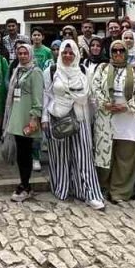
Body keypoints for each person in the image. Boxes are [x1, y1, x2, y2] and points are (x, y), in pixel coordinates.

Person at [43, 40, 105, 210]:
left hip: (80, 119)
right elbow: (46, 96)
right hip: (58, 118)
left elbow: (90, 97)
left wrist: (95, 119)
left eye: (71, 53)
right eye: (65, 53)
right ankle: (62, 188)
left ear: (76, 53)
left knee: (84, 157)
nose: (68, 56)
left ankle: (89, 192)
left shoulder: (83, 70)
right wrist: (44, 119)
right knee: (60, 157)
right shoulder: (51, 71)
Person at [91, 40, 135, 203]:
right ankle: (104, 188)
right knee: (105, 156)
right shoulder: (102, 69)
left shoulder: (134, 71)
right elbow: (95, 87)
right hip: (107, 117)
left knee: (126, 157)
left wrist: (127, 106)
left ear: (126, 52)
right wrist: (104, 103)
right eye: (115, 51)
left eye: (121, 51)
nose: (118, 54)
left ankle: (120, 192)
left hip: (128, 119)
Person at [3, 41, 45, 202]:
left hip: (27, 116)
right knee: (21, 152)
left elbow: (38, 96)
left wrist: (34, 117)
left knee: (25, 153)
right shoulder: (18, 70)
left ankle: (25, 185)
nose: (22, 56)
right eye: (20, 53)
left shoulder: (35, 72)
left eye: (25, 53)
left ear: (30, 54)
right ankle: (24, 183)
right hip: (17, 114)